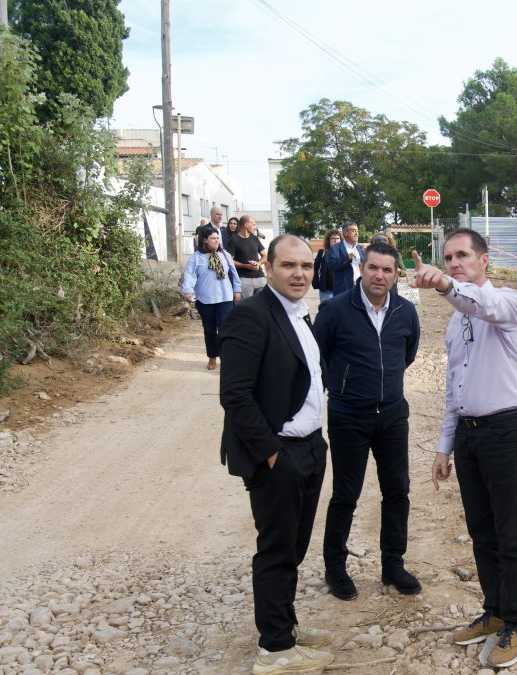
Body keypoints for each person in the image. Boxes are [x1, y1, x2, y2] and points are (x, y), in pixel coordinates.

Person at [412, 229, 517, 669]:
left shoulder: (508, 302)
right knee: (481, 531)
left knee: (511, 532)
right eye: (448, 258)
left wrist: (445, 285)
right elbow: (454, 388)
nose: (454, 263)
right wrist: (444, 446)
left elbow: (480, 304)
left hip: (507, 429)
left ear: (484, 260)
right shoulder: (454, 321)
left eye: (463, 255)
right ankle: (495, 611)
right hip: (469, 433)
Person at [219, 235, 334, 674]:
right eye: (288, 265)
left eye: (306, 266)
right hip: (279, 454)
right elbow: (235, 394)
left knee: (294, 548)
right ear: (267, 267)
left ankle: (285, 626)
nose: (299, 274)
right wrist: (271, 455)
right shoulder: (251, 316)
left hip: (310, 447)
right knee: (276, 551)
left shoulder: (299, 313)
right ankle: (276, 649)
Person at [313, 239, 421, 600]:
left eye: (387, 270)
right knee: (346, 494)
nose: (379, 275)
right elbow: (318, 357)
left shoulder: (405, 311)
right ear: (361, 268)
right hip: (348, 416)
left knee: (397, 491)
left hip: (392, 415)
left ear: (396, 274)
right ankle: (335, 569)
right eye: (373, 267)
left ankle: (393, 565)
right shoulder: (335, 310)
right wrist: (343, 386)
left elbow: (406, 355)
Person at [181, 227, 241, 370]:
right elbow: (189, 275)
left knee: (225, 330)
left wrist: (237, 290)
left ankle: (227, 359)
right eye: (213, 238)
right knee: (209, 330)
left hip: (225, 297)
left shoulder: (224, 255)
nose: (216, 241)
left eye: (218, 238)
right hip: (206, 299)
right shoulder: (196, 257)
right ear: (205, 240)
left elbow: (234, 273)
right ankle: (212, 357)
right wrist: (188, 289)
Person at [228, 215, 267, 299]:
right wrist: (246, 266)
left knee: (263, 305)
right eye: (253, 224)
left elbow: (265, 256)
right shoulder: (233, 240)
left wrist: (258, 263)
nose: (255, 227)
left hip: (260, 278)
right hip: (244, 279)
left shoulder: (255, 238)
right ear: (246, 225)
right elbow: (230, 260)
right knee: (247, 306)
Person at [323, 223, 363, 293]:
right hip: (344, 289)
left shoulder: (360, 248)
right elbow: (331, 265)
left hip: (360, 288)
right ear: (345, 233)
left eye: (357, 231)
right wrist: (346, 258)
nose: (356, 233)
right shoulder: (335, 248)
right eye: (353, 231)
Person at [312, 229, 342, 303]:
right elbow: (315, 268)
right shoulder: (322, 253)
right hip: (326, 291)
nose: (335, 240)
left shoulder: (345, 253)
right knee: (326, 309)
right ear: (328, 240)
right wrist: (316, 283)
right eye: (333, 238)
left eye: (337, 238)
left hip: (342, 290)